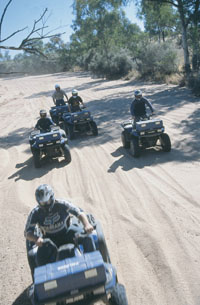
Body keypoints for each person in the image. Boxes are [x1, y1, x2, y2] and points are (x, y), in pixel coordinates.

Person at [24, 184, 95, 273]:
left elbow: (79, 212)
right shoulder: (35, 212)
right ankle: (42, 279)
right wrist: (36, 239)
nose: (46, 204)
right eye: (42, 203)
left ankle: (94, 264)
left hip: (68, 233)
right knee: (33, 255)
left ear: (52, 197)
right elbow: (27, 233)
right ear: (38, 202)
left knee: (87, 237)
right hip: (49, 240)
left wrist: (87, 224)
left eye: (47, 201)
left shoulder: (62, 204)